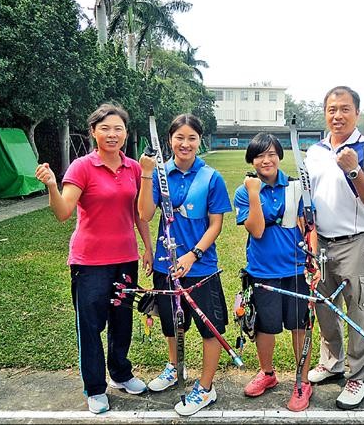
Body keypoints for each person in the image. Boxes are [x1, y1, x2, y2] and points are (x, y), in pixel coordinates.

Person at [34, 103, 153, 414]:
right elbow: (63, 212)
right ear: (93, 132)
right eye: (105, 128)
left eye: (118, 129)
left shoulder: (134, 169)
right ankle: (95, 387)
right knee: (90, 325)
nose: (112, 134)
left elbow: (140, 214)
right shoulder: (81, 167)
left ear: (126, 133)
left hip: (125, 259)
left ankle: (121, 374)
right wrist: (50, 186)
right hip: (89, 263)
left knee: (121, 321)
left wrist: (148, 248)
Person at [304, 86, 364, 410]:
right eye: (331, 109)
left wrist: (354, 169)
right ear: (325, 113)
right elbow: (308, 197)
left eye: (344, 109)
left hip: (356, 243)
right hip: (321, 243)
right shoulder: (314, 152)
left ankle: (359, 376)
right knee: (323, 306)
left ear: (356, 112)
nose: (337, 115)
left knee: (359, 310)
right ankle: (332, 362)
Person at [137, 113, 232, 416]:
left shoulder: (211, 177)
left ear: (199, 141)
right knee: (171, 324)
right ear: (170, 140)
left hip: (200, 267)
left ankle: (205, 388)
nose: (185, 143)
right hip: (166, 267)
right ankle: (174, 366)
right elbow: (145, 213)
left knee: (210, 328)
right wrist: (146, 173)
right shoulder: (159, 173)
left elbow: (216, 224)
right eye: (180, 137)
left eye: (192, 138)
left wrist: (194, 255)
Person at [233, 133, 315, 412]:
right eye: (259, 155)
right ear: (251, 160)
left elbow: (310, 226)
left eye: (271, 154)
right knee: (264, 327)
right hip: (261, 271)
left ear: (279, 156)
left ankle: (302, 381)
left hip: (294, 270)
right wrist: (254, 194)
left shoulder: (296, 187)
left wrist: (311, 260)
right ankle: (267, 374)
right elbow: (256, 230)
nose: (266, 160)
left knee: (299, 326)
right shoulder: (245, 191)